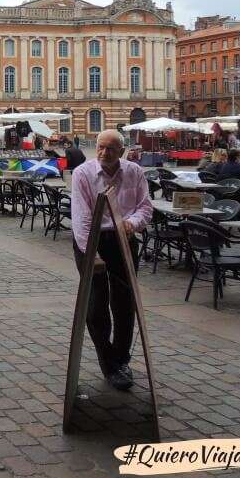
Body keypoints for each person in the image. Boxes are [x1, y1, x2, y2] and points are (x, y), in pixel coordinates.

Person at [70, 129, 152, 392]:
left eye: (111, 149)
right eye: (101, 148)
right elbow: (81, 217)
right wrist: (90, 253)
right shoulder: (82, 173)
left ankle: (121, 360)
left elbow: (145, 206)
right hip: (92, 240)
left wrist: (133, 222)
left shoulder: (134, 172)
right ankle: (109, 363)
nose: (105, 153)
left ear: (122, 151)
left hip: (123, 238)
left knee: (125, 304)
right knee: (95, 307)